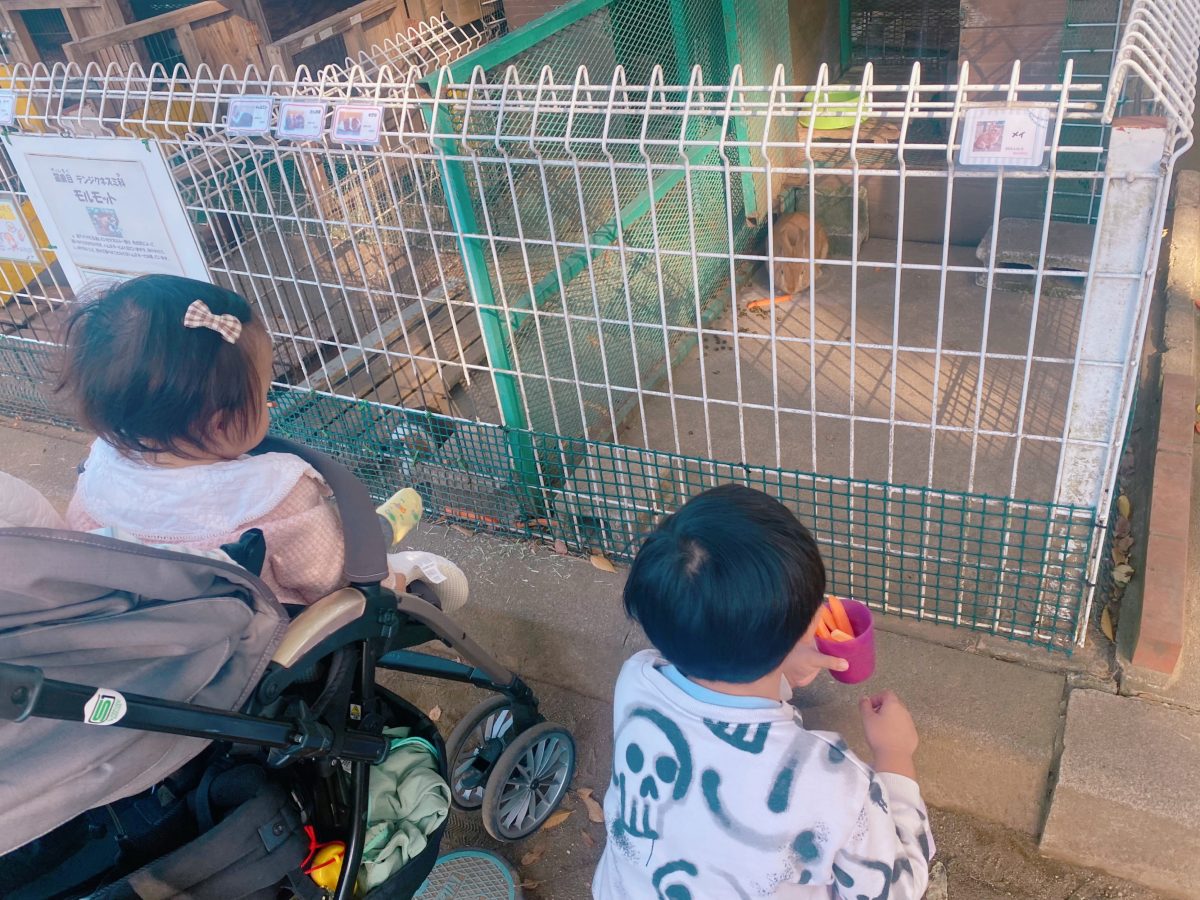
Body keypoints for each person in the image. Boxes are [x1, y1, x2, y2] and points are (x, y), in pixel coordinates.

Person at [593, 484, 934, 899]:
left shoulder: (638, 679)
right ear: (806, 628)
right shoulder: (835, 782)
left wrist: (778, 665)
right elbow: (895, 890)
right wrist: (894, 757)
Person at [57, 274, 464, 610]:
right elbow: (328, 578)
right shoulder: (275, 497)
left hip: (164, 620)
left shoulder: (100, 473)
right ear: (219, 426)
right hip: (275, 628)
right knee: (435, 574)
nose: (270, 401)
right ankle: (389, 542)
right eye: (264, 392)